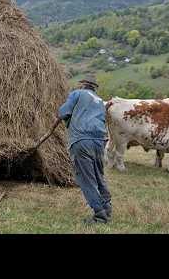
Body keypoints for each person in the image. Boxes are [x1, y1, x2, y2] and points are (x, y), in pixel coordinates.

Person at [56, 73, 112, 224]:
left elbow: (63, 112)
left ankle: (99, 215)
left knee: (86, 178)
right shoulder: (100, 101)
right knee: (99, 176)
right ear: (94, 87)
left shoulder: (77, 94)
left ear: (82, 84)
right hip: (100, 141)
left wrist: (67, 119)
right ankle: (107, 209)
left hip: (82, 140)